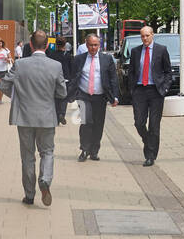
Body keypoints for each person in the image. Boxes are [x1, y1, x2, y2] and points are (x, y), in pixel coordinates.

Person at [2, 29, 67, 206]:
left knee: (28, 156)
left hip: (23, 116)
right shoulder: (56, 66)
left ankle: (29, 194)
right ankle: (45, 179)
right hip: (46, 116)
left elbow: (3, 84)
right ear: (47, 45)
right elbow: (62, 92)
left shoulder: (20, 64)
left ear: (30, 44)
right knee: (47, 152)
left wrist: (17, 97)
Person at [67, 32, 119, 160]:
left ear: (99, 45)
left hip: (100, 96)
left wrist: (115, 97)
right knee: (86, 121)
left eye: (95, 45)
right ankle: (84, 149)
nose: (93, 48)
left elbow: (113, 79)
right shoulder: (79, 59)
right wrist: (70, 93)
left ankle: (94, 150)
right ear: (86, 44)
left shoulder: (107, 59)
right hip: (84, 95)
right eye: (90, 45)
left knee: (98, 124)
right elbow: (74, 77)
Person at [130, 25, 172, 165]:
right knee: (139, 123)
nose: (145, 38)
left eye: (147, 35)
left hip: (156, 91)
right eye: (142, 36)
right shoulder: (135, 51)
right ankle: (148, 142)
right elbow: (131, 71)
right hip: (140, 90)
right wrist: (132, 89)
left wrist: (165, 88)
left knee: (154, 125)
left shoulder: (161, 50)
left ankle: (151, 155)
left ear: (152, 35)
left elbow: (168, 72)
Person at [49, 36, 73, 125]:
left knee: (55, 98)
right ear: (65, 45)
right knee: (64, 98)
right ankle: (62, 113)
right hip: (65, 79)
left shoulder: (51, 55)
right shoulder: (68, 56)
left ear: (56, 44)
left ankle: (56, 115)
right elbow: (71, 68)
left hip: (54, 79)